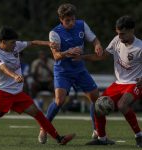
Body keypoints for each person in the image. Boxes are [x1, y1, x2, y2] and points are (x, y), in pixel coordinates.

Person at [0, 26, 75, 145]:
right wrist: (15, 76)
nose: (15, 45)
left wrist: (48, 43)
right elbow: (3, 68)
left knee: (37, 113)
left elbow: (33, 43)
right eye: (12, 42)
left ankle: (59, 139)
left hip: (17, 93)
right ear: (3, 42)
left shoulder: (16, 46)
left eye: (15, 42)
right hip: (1, 92)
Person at [38, 3, 106, 144]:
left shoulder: (81, 25)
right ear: (61, 20)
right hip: (63, 71)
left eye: (73, 19)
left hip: (79, 69)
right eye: (67, 21)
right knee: (59, 100)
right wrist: (67, 52)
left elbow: (93, 39)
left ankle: (96, 130)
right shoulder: (54, 33)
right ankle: (44, 128)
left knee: (95, 98)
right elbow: (56, 56)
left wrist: (97, 45)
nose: (71, 23)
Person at [80, 16, 142, 147]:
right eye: (118, 33)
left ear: (132, 30)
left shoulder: (140, 47)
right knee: (98, 105)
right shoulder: (116, 41)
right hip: (118, 84)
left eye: (123, 34)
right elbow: (102, 56)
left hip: (135, 83)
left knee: (122, 105)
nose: (120, 37)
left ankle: (139, 136)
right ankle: (102, 139)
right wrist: (81, 57)